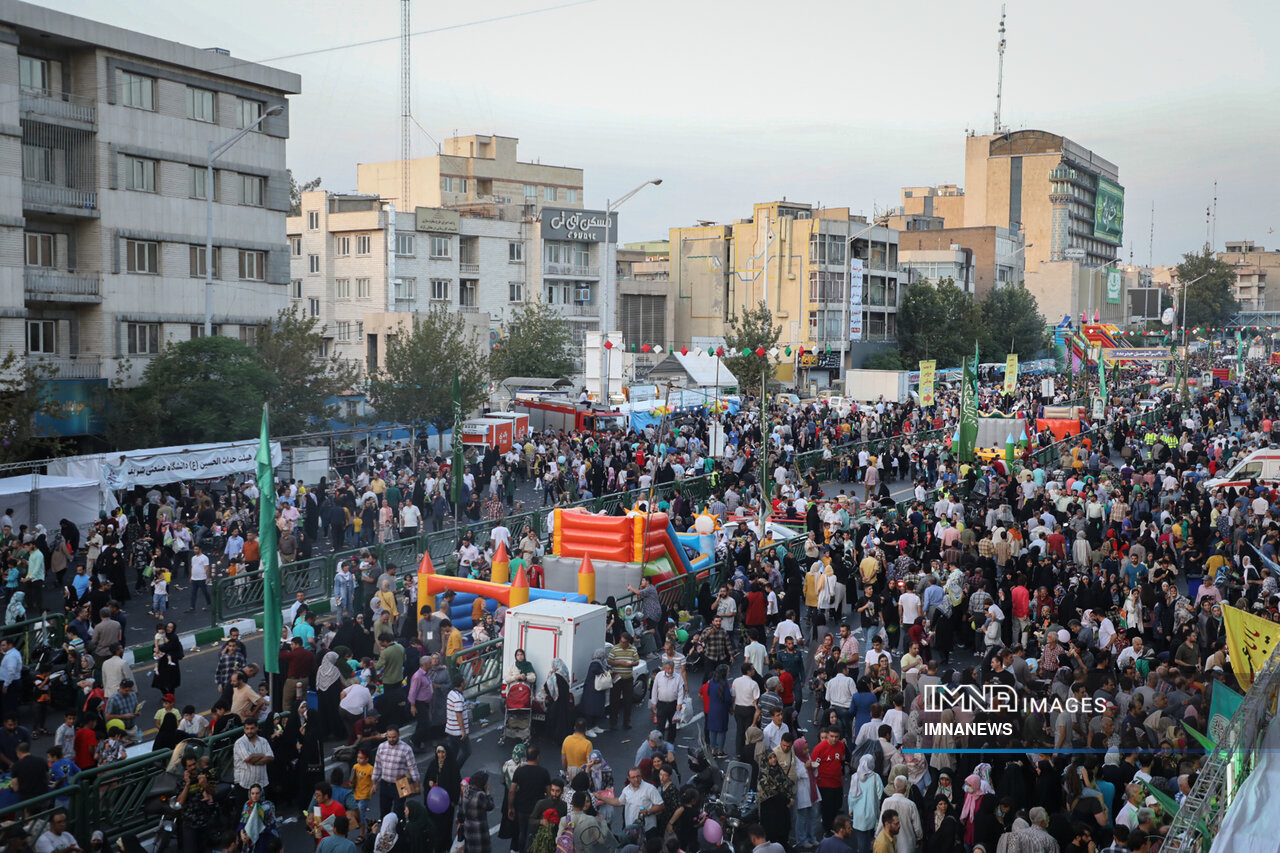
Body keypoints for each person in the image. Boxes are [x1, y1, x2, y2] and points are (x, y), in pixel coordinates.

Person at [595, 766, 663, 841]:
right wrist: (601, 798)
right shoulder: (626, 790)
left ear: (641, 776)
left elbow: (660, 805)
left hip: (647, 830)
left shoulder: (650, 789)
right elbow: (619, 802)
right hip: (631, 831)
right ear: (629, 778)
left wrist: (648, 811)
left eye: (638, 776)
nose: (636, 779)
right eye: (633, 777)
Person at [372, 727, 419, 820]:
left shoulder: (406, 749)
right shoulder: (381, 747)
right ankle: (386, 833)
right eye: (389, 737)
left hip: (402, 783)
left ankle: (401, 833)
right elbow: (377, 766)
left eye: (393, 737)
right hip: (385, 783)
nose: (391, 739)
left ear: (399, 735)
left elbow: (412, 767)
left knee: (399, 811)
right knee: (384, 812)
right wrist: (374, 782)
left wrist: (416, 783)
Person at [423, 743, 461, 852]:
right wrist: (429, 783)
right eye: (438, 752)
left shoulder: (452, 766)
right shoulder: (433, 764)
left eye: (443, 752)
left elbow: (455, 783)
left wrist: (454, 800)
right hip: (434, 803)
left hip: (447, 803)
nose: (441, 755)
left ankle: (446, 845)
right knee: (435, 826)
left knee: (446, 826)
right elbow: (427, 780)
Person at [232, 719, 274, 811]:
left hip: (261, 782)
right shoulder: (240, 743)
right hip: (245, 784)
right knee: (243, 813)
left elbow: (270, 757)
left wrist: (254, 760)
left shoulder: (263, 741)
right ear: (244, 729)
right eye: (247, 728)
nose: (249, 731)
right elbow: (248, 759)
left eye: (252, 728)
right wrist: (262, 755)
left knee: (262, 811)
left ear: (257, 728)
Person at [848, 754, 884, 853]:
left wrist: (850, 809)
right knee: (873, 839)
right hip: (872, 813)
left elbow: (851, 796)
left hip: (859, 815)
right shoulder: (876, 777)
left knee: (861, 840)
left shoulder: (855, 777)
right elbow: (881, 794)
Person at [235, 782, 278, 853]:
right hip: (250, 840)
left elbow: (271, 824)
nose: (255, 796)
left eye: (257, 793)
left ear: (261, 793)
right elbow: (243, 821)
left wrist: (253, 832)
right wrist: (242, 833)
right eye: (252, 793)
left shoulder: (268, 806)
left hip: (265, 838)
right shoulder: (247, 805)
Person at [459, 770, 495, 853]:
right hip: (479, 832)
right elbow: (490, 806)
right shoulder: (480, 795)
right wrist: (488, 792)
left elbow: (460, 813)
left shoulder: (465, 791)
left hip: (468, 829)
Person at [445, 672, 471, 767]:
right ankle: (455, 770)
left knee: (453, 753)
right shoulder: (458, 698)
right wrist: (463, 731)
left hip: (450, 729)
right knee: (466, 752)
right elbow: (458, 715)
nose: (465, 682)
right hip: (458, 732)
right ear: (461, 683)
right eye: (464, 680)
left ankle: (450, 770)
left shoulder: (451, 693)